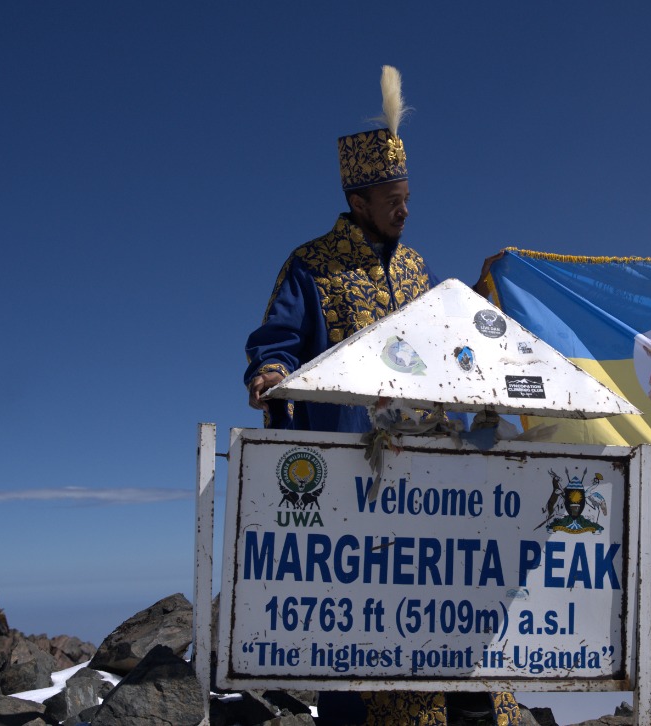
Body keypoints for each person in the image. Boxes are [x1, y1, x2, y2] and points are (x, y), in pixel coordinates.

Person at [243, 66, 520, 726]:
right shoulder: (312, 264)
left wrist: (486, 306)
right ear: (358, 199)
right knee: (359, 612)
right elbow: (276, 340)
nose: (405, 208)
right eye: (392, 197)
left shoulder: (420, 269)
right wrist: (271, 371)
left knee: (441, 593)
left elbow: (444, 344)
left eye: (408, 195)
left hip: (426, 468)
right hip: (348, 475)